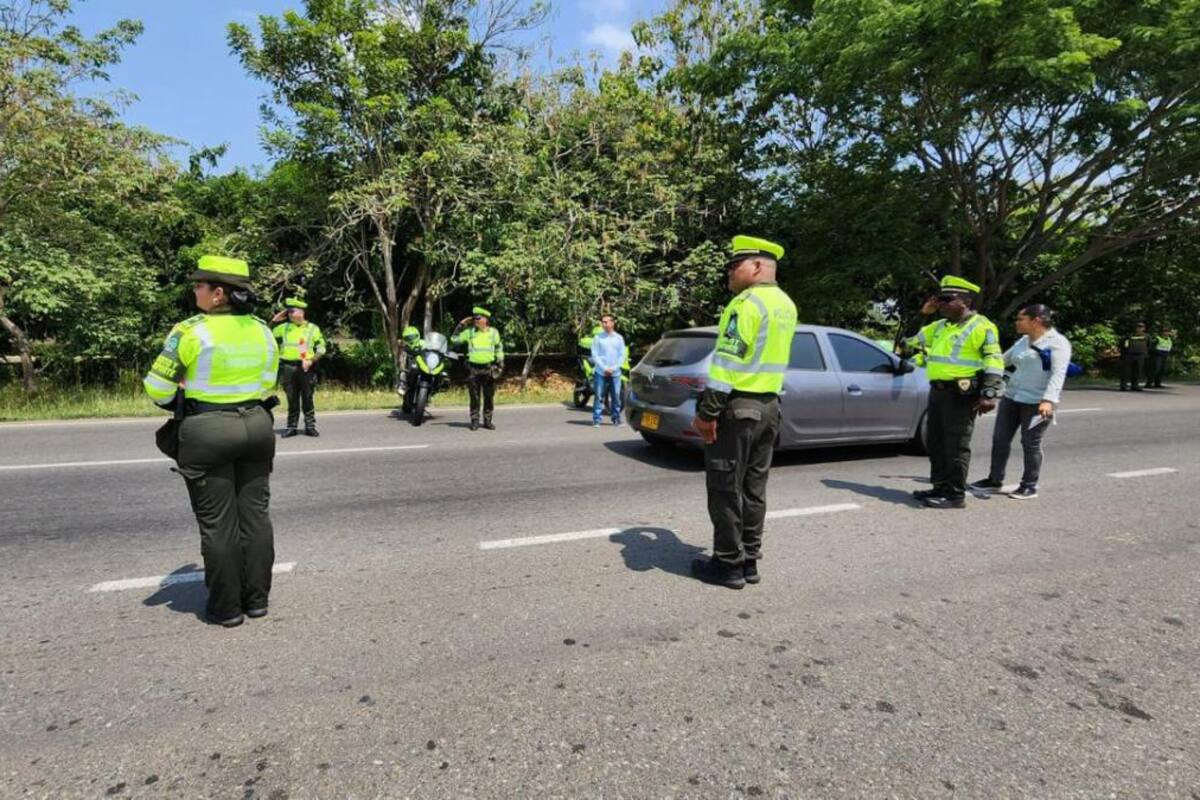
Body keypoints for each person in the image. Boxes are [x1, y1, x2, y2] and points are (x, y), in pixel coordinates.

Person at [142, 255, 280, 627]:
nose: (195, 290)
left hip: (207, 431)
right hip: (257, 425)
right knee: (255, 518)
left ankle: (226, 608)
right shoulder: (262, 329)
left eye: (200, 285)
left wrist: (183, 399)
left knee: (219, 524)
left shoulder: (190, 330)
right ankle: (257, 601)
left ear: (218, 294)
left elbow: (156, 388)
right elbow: (269, 382)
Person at [689, 236, 797, 590]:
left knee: (723, 486)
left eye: (734, 266)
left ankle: (728, 565)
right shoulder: (785, 304)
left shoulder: (745, 304)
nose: (729, 274)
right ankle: (750, 559)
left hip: (738, 407)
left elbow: (726, 363)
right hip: (769, 406)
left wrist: (707, 413)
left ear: (755, 266)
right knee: (754, 486)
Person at [903, 275, 1005, 509]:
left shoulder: (983, 326)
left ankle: (955, 494)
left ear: (966, 301)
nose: (941, 303)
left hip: (962, 394)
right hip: (937, 392)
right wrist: (923, 314)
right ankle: (940, 486)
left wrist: (989, 393)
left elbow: (994, 359)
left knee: (956, 445)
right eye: (939, 299)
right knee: (936, 443)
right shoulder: (939, 326)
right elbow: (908, 341)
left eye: (947, 299)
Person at [969, 304, 1071, 499]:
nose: (1017, 322)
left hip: (1037, 402)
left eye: (1020, 319)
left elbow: (1058, 374)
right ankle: (994, 480)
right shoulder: (1023, 341)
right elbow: (1002, 360)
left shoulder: (1058, 343)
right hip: (1012, 396)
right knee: (1000, 439)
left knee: (1030, 443)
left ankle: (1029, 485)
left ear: (1036, 321)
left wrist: (1048, 400)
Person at [271, 297, 327, 437]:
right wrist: (274, 320)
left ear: (301, 312)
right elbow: (266, 333)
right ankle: (291, 427)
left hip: (306, 367)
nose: (289, 314)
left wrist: (312, 360)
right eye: (287, 312)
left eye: (291, 311)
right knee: (292, 399)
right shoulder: (283, 328)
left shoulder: (312, 328)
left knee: (308, 398)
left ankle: (310, 426)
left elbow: (321, 348)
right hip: (287, 367)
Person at [452, 306, 503, 430]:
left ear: (485, 319)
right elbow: (454, 339)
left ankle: (487, 421)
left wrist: (500, 363)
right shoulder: (469, 332)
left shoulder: (493, 332)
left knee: (488, 397)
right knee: (474, 397)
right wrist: (460, 325)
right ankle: (474, 421)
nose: (475, 321)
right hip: (473, 369)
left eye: (478, 318)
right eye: (474, 319)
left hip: (488, 368)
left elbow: (498, 348)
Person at [590, 314, 626, 427]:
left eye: (606, 322)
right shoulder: (598, 338)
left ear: (612, 323)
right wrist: (605, 368)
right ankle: (597, 419)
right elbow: (595, 355)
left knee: (616, 396)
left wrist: (613, 368)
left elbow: (622, 355)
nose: (604, 324)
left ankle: (616, 419)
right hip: (601, 372)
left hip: (615, 373)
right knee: (599, 395)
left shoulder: (619, 338)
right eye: (602, 322)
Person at [1119, 322, 1149, 391]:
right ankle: (1124, 385)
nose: (1139, 329)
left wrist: (1144, 353)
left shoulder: (1146, 336)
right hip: (1129, 355)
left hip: (1140, 355)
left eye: (1141, 327)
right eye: (1138, 327)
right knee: (1126, 371)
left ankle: (1135, 385)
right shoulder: (1129, 336)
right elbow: (1122, 344)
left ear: (1144, 328)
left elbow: (1148, 345)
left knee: (1138, 371)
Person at [398, 325, 424, 400]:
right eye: (408, 338)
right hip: (411, 367)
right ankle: (402, 384)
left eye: (412, 337)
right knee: (403, 370)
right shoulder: (405, 346)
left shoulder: (423, 343)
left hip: (423, 364)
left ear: (417, 335)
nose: (411, 340)